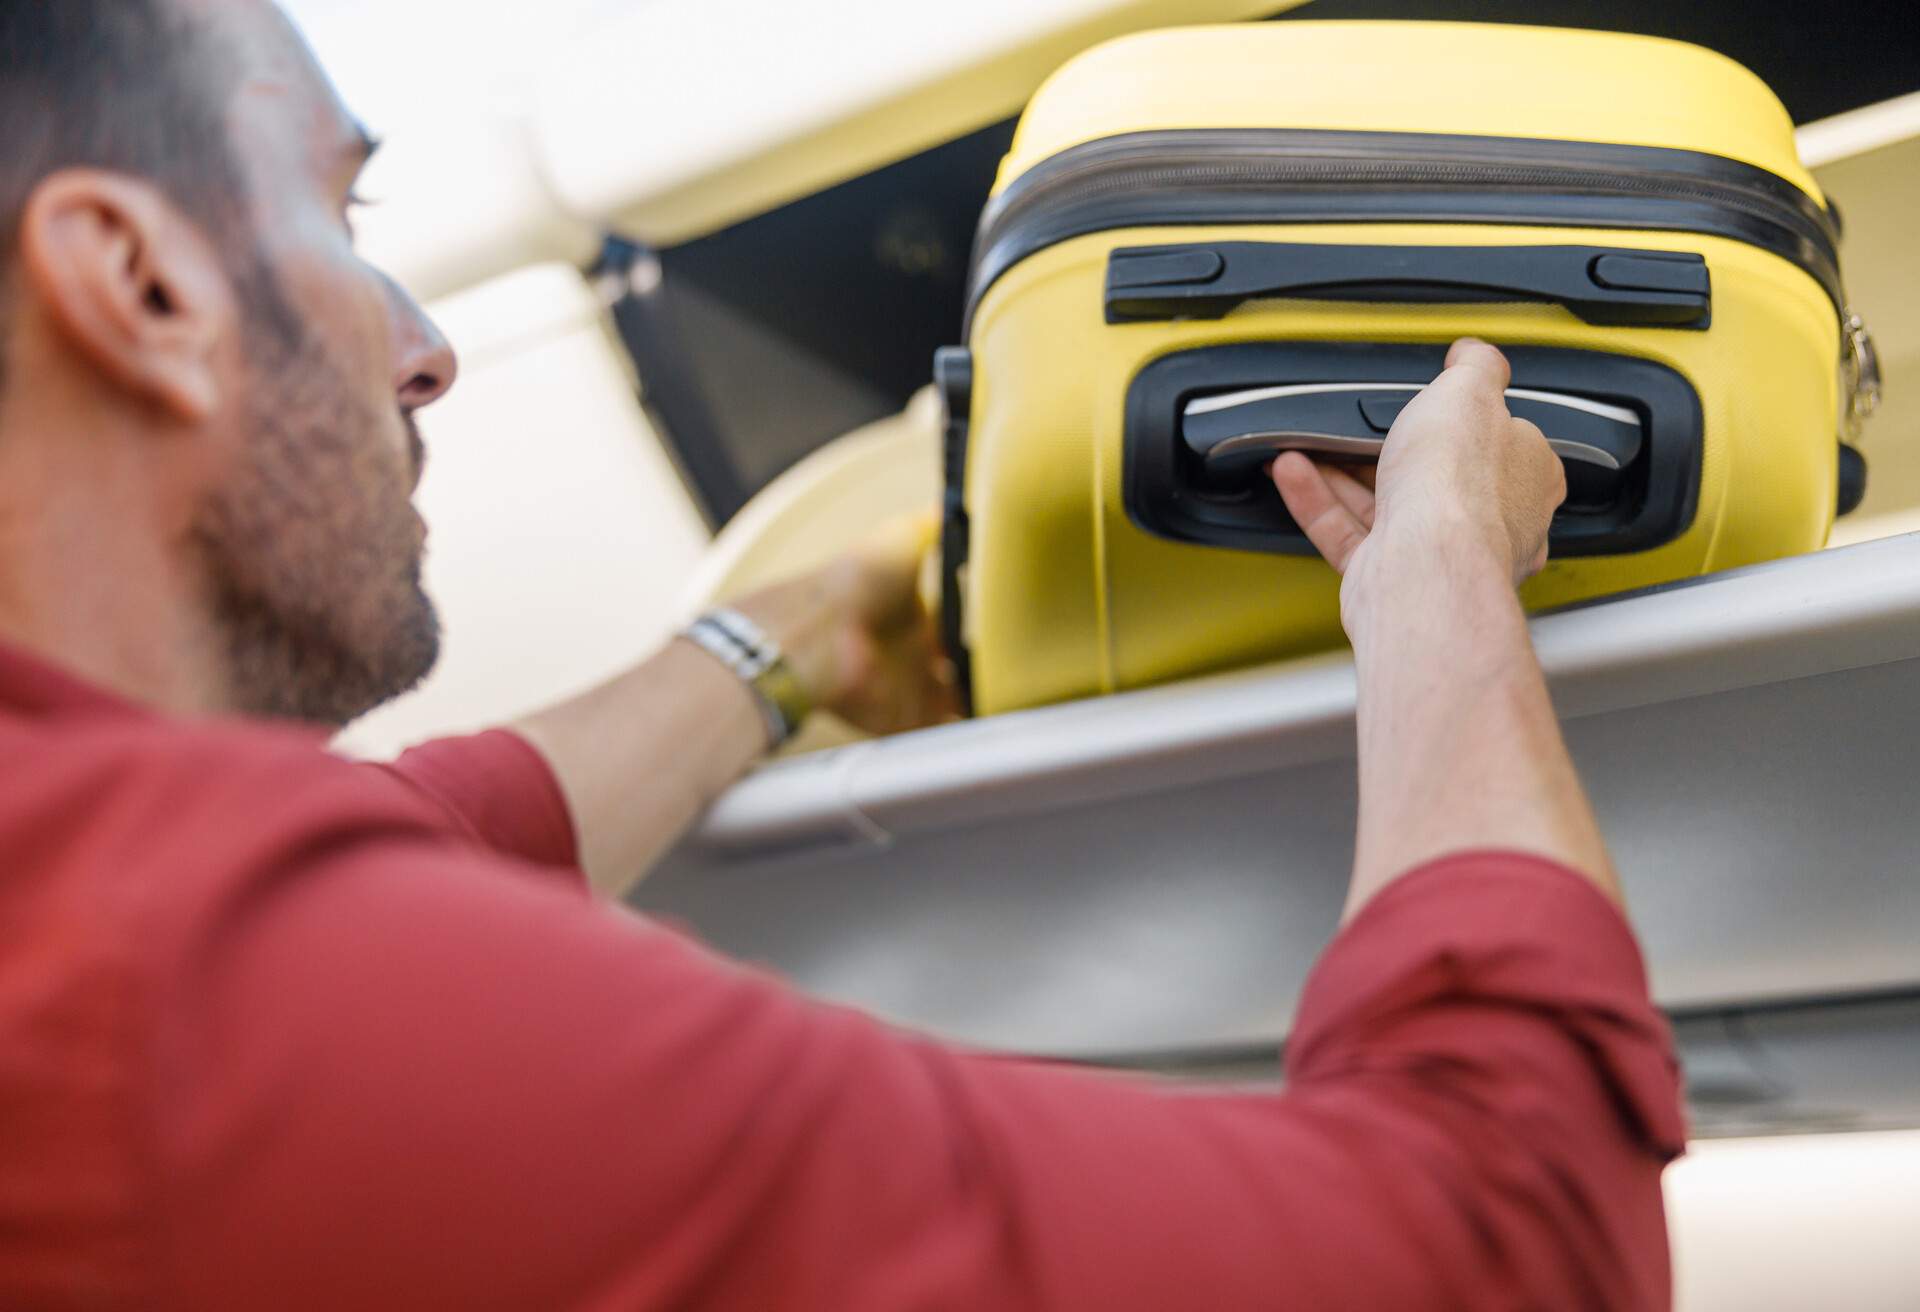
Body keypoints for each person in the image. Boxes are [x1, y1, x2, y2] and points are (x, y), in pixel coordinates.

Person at [0, 2, 1685, 1308]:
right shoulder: (185, 1010)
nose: (427, 353)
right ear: (135, 281)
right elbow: (1505, 1249)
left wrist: (801, 634)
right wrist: (1440, 575)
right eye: (334, 215)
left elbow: (444, 827)